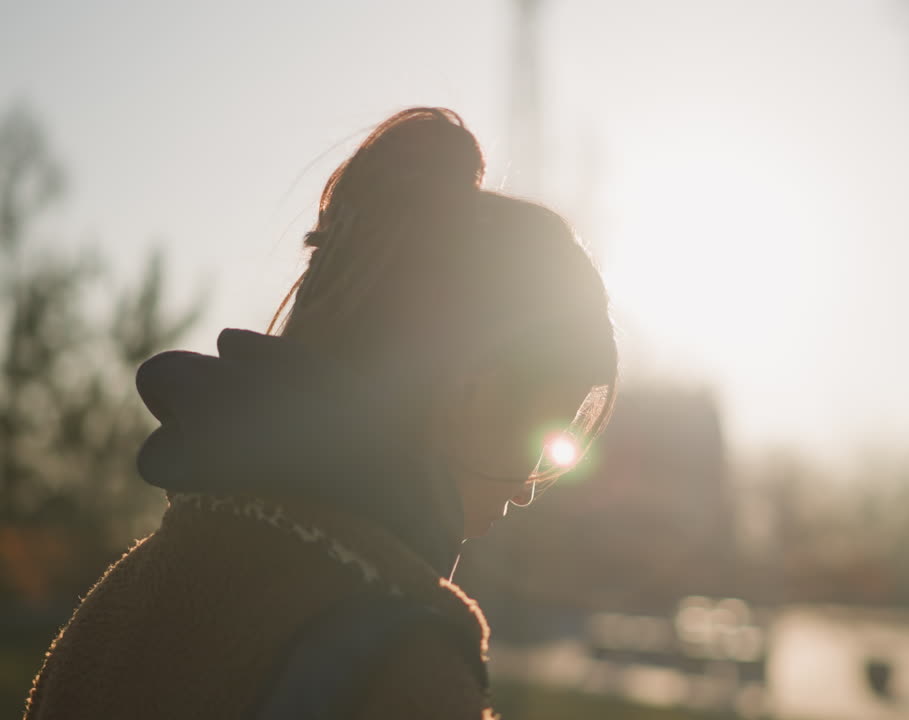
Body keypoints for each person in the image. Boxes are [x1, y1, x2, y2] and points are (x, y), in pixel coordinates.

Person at [23, 107, 618, 719]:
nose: (527, 486)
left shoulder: (121, 598)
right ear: (476, 391)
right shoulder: (397, 663)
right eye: (546, 433)